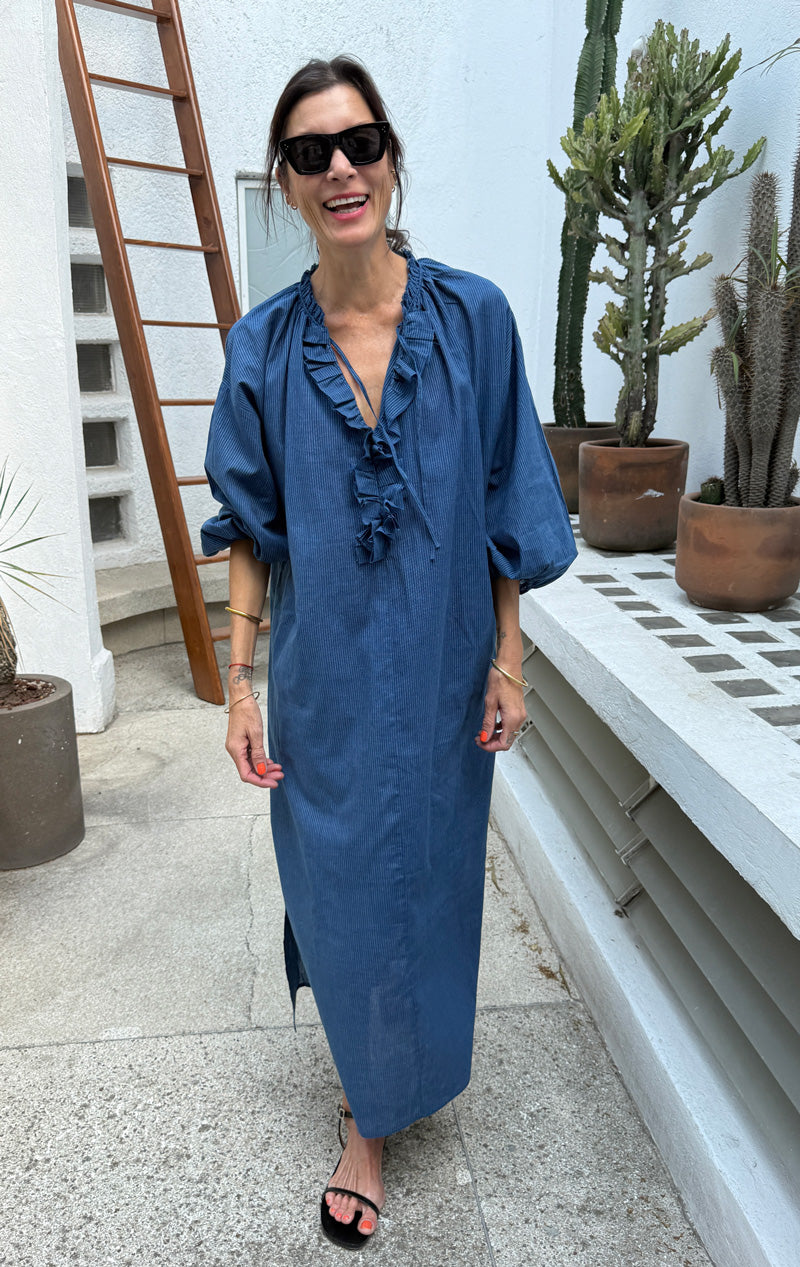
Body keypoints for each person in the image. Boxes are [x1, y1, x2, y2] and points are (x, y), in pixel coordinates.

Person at [201, 55, 576, 1251]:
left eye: (358, 142)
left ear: (389, 157)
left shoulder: (475, 320)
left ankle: (383, 1091)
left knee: (427, 875)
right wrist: (239, 684)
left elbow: (506, 499)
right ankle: (367, 1109)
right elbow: (249, 526)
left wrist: (508, 659)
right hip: (320, 680)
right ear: (285, 183)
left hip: (441, 668)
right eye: (309, 153)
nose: (339, 169)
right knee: (339, 881)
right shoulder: (262, 348)